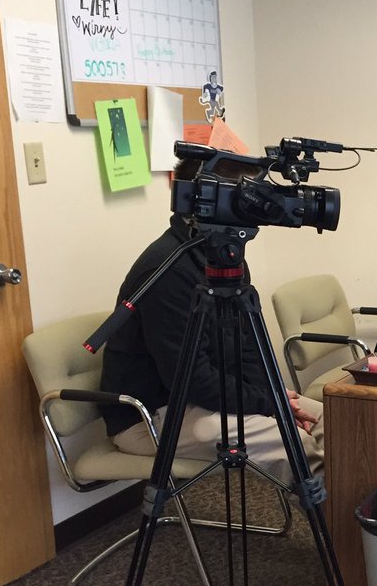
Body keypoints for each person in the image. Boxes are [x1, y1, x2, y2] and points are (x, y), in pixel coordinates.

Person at [99, 156, 323, 485]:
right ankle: (340, 516)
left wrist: (271, 397)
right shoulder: (167, 269)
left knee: (332, 419)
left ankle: (367, 511)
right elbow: (190, 380)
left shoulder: (224, 254)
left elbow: (248, 345)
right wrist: (266, 403)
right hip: (153, 415)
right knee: (298, 445)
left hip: (205, 399)